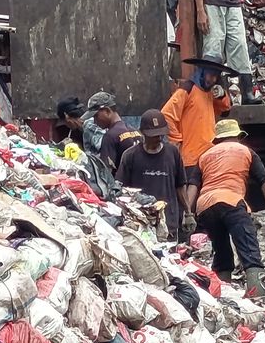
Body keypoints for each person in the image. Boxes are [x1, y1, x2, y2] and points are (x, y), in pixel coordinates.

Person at [191, 119, 265, 296]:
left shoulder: (205, 155)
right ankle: (257, 298)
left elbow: (192, 185)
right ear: (238, 136)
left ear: (217, 139)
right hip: (231, 201)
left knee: (221, 251)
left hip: (205, 206)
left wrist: (188, 212)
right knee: (249, 249)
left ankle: (221, 295)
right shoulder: (245, 151)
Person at [162, 56, 235, 228]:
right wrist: (177, 139)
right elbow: (166, 115)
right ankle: (186, 232)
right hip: (190, 158)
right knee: (188, 201)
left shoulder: (209, 92)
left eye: (216, 76)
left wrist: (222, 95)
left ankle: (199, 234)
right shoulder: (187, 89)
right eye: (210, 74)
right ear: (202, 72)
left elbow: (225, 109)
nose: (213, 79)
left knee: (203, 199)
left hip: (207, 156)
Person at [116, 109, 186, 240]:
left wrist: (188, 212)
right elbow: (121, 189)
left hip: (168, 221)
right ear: (142, 133)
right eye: (153, 135)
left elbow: (180, 185)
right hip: (141, 222)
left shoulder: (173, 153)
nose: (158, 138)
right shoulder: (130, 156)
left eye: (161, 135)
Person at [84, 92, 141, 171]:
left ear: (107, 111)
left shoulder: (110, 136)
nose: (94, 121)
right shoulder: (135, 132)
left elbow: (107, 172)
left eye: (96, 116)